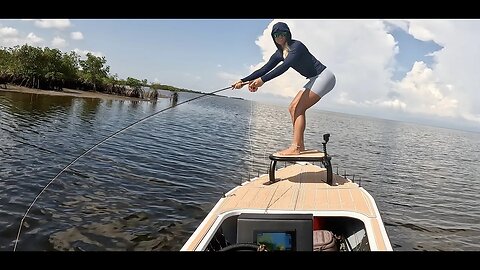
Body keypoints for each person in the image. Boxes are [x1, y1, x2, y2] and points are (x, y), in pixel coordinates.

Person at [232, 22, 336, 155]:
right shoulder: (279, 53)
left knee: (299, 108)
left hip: (324, 77)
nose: (279, 37)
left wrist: (262, 81)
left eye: (282, 34)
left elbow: (284, 66)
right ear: (273, 37)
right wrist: (242, 81)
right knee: (292, 107)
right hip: (313, 78)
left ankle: (296, 147)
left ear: (287, 34)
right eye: (276, 35)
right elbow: (264, 69)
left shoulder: (296, 46)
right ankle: (300, 146)